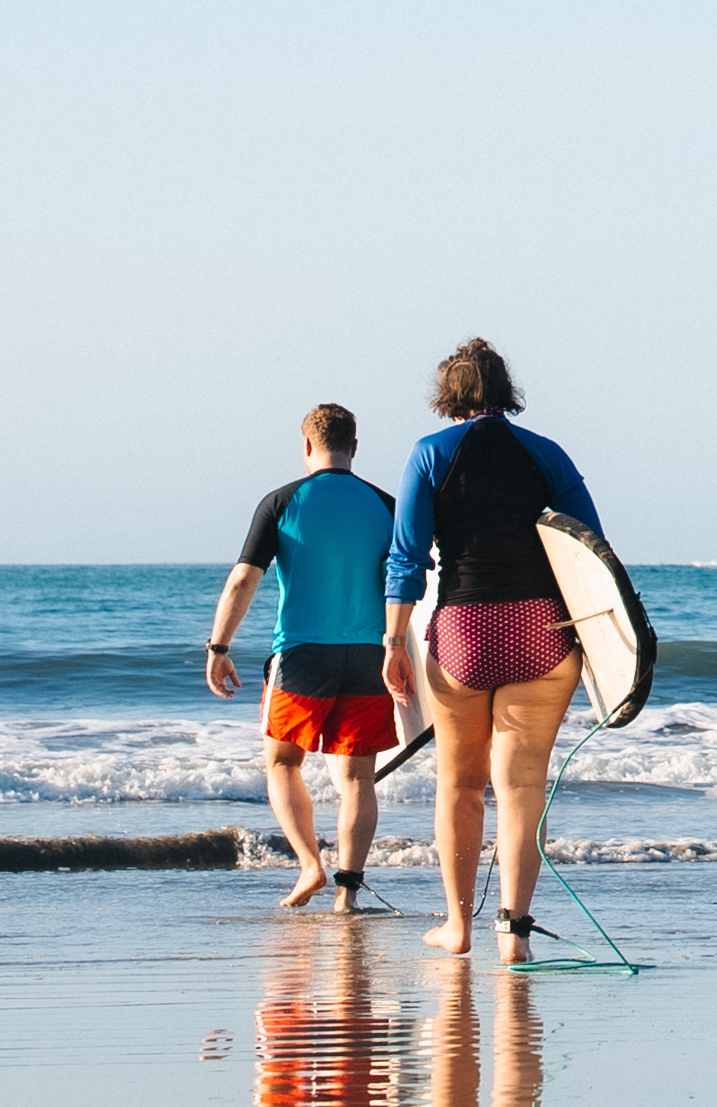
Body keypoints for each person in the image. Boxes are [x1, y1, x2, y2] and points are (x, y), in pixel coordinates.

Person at [387, 338, 608, 963]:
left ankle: (456, 926)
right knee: (522, 786)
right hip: (541, 627)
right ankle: (514, 933)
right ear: (504, 388)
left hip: (463, 628)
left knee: (458, 785)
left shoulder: (430, 454)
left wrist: (391, 642)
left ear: (448, 395)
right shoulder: (546, 454)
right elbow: (591, 547)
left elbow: (406, 557)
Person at [205, 403, 405, 911]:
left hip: (301, 654)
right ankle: (347, 894)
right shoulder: (387, 505)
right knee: (359, 776)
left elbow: (243, 578)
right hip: (369, 653)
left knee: (282, 761)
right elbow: (412, 584)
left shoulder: (282, 501)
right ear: (354, 448)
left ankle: (310, 864)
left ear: (307, 446)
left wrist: (219, 646)